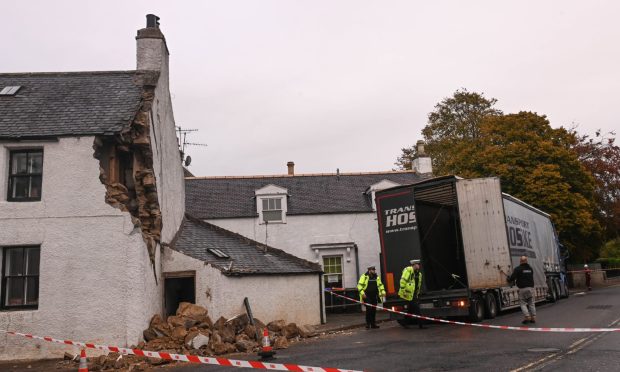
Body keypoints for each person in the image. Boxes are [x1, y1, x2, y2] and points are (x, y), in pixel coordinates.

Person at [507, 256, 536, 324]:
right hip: (531, 288)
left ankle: (527, 316)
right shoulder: (530, 269)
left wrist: (509, 279)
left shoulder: (518, 269)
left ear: (520, 261)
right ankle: (533, 317)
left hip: (522, 289)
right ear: (526, 261)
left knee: (522, 303)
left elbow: (512, 278)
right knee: (531, 303)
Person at [398, 259, 426, 328]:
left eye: (419, 264)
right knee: (417, 309)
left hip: (414, 294)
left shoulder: (418, 274)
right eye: (417, 264)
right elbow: (402, 280)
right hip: (408, 293)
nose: (419, 265)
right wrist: (403, 290)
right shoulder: (408, 271)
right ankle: (421, 325)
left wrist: (417, 293)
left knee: (411, 309)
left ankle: (405, 323)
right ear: (414, 265)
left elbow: (417, 285)